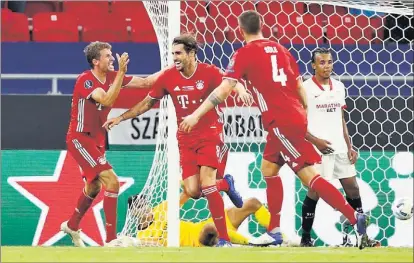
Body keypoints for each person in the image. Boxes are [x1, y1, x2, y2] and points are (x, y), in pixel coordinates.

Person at [179, 10, 370, 250]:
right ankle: (275, 230)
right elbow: (299, 86)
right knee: (268, 169)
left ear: (240, 31)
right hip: (289, 119)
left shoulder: (244, 53)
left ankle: (354, 218)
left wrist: (196, 115)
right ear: (262, 27)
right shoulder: (282, 50)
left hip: (280, 122)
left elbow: (224, 88)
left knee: (310, 177)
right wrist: (301, 112)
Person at [103, 34, 253, 247]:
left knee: (208, 185)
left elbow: (230, 82)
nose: (175, 57)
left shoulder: (208, 72)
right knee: (193, 191)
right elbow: (146, 103)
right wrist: (121, 117)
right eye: (173, 53)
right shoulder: (168, 77)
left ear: (192, 53)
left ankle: (225, 240)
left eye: (179, 53)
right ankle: (225, 183)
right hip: (185, 138)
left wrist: (241, 89)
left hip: (210, 133)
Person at [60, 41, 160, 247]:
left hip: (96, 141)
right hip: (80, 137)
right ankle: (111, 240)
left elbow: (146, 82)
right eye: (107, 56)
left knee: (94, 186)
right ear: (96, 61)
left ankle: (71, 225)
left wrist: (170, 69)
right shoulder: (86, 80)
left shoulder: (114, 77)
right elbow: (105, 100)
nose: (112, 58)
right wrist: (122, 73)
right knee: (112, 182)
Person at [300, 47, 379, 248]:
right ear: (313, 65)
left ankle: (363, 236)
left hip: (340, 148)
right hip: (317, 149)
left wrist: (349, 145)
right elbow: (298, 121)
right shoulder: (304, 88)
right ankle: (306, 238)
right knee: (315, 192)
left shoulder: (339, 86)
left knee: (353, 188)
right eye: (322, 63)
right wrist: (314, 140)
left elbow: (341, 118)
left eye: (329, 62)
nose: (327, 66)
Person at [128, 192, 275, 247]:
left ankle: (279, 236)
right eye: (141, 206)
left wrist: (186, 183)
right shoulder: (143, 236)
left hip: (202, 225)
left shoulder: (159, 210)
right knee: (212, 228)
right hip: (199, 240)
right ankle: (251, 244)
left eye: (146, 204)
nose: (146, 208)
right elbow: (156, 246)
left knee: (252, 203)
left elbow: (185, 196)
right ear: (134, 213)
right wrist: (136, 243)